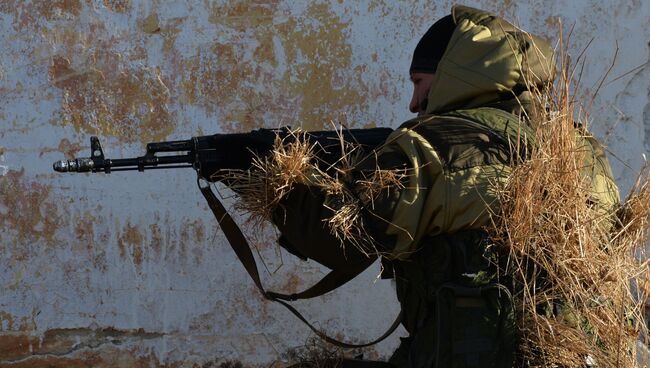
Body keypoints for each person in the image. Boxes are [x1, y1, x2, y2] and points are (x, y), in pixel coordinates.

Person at [268, 5, 620, 367]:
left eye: (419, 82)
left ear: (454, 74)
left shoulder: (432, 145)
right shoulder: (581, 148)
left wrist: (280, 183)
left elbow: (339, 238)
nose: (414, 102)